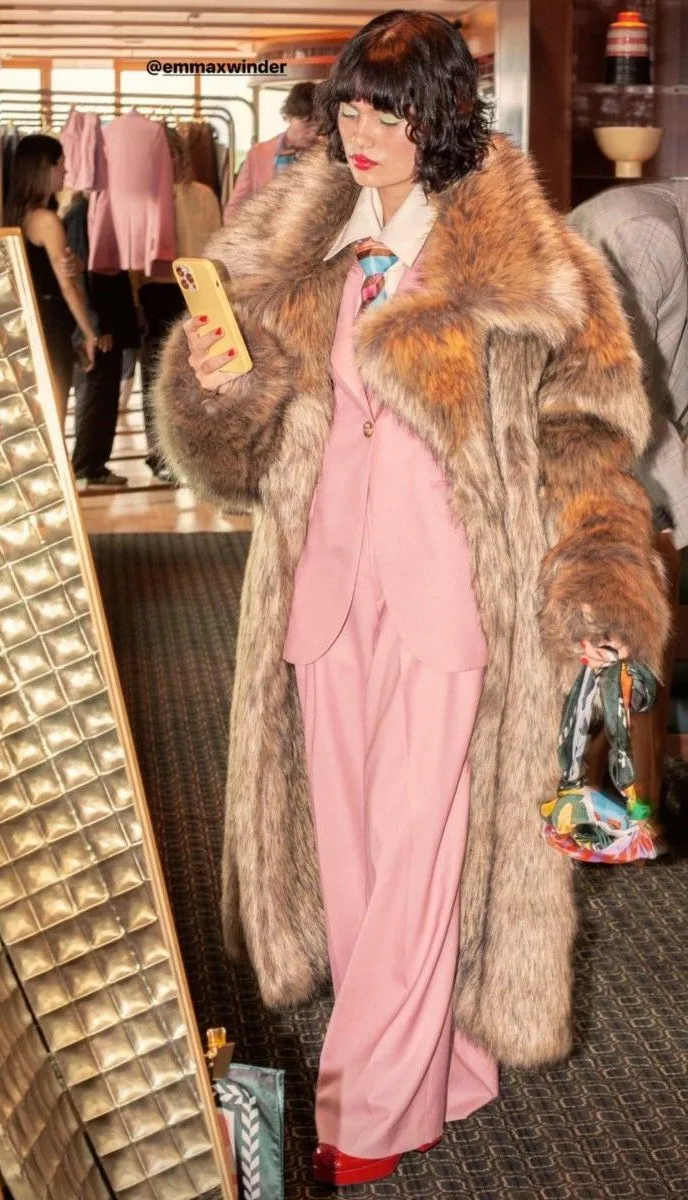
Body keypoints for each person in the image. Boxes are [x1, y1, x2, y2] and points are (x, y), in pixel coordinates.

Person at [154, 10, 669, 1189]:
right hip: (324, 589)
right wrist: (221, 389)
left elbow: (590, 442)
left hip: (455, 601)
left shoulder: (535, 272)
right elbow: (229, 457)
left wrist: (599, 585)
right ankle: (444, 1063)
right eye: (351, 107)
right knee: (351, 857)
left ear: (442, 118)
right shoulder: (288, 255)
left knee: (417, 849)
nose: (363, 132)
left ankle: (370, 1111)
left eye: (389, 110)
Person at [569, 182, 688, 807]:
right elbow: (611, 408)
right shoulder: (644, 234)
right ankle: (614, 796)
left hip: (634, 464)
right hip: (579, 473)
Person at [5, 134, 97, 423]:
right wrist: (89, 333)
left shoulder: (15, 215)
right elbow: (67, 287)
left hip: (27, 322)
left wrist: (76, 265)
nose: (66, 171)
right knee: (53, 414)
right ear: (45, 168)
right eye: (61, 164)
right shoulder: (46, 220)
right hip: (50, 325)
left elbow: (50, 270)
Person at [63, 191, 139, 488]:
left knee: (104, 394)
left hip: (109, 318)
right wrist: (96, 326)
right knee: (97, 394)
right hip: (99, 321)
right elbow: (82, 275)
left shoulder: (97, 213)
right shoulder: (83, 215)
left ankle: (94, 464)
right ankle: (87, 465)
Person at [222, 82, 320, 223]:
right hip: (265, 232)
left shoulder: (327, 153)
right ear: (287, 116)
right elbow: (235, 207)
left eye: (319, 123)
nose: (314, 131)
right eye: (307, 123)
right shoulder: (258, 154)